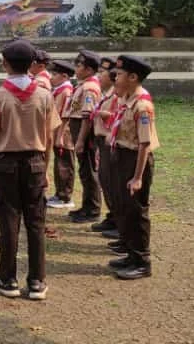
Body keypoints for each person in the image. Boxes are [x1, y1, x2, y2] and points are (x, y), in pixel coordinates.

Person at [0, 40, 61, 301]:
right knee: (36, 223)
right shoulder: (45, 96)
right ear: (32, 64)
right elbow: (48, 137)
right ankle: (37, 281)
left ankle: (7, 278)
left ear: (5, 63)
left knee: (8, 222)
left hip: (7, 165)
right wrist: (45, 168)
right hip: (35, 162)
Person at [106, 55, 159, 280]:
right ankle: (130, 254)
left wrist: (137, 177)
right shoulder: (126, 99)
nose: (115, 77)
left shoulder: (142, 106)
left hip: (136, 160)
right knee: (124, 208)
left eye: (119, 74)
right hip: (122, 157)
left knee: (137, 211)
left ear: (133, 77)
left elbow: (144, 144)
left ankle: (141, 261)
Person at [68, 49, 103, 223]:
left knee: (89, 170)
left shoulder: (90, 88)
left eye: (79, 64)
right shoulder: (84, 84)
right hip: (79, 128)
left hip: (86, 133)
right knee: (84, 170)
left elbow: (87, 117)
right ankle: (87, 206)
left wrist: (81, 140)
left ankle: (93, 210)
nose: (76, 67)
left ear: (89, 69)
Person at [90, 56, 119, 236]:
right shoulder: (107, 93)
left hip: (110, 142)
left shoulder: (117, 95)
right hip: (102, 141)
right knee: (105, 180)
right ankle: (113, 216)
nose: (98, 76)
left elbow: (121, 118)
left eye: (102, 72)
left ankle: (119, 221)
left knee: (111, 182)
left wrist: (103, 114)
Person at [46, 60, 76, 210]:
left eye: (54, 74)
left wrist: (60, 136)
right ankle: (59, 194)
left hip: (64, 135)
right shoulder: (59, 90)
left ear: (64, 76)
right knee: (59, 164)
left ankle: (65, 196)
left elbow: (65, 115)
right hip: (57, 132)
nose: (51, 77)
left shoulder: (66, 91)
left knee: (65, 165)